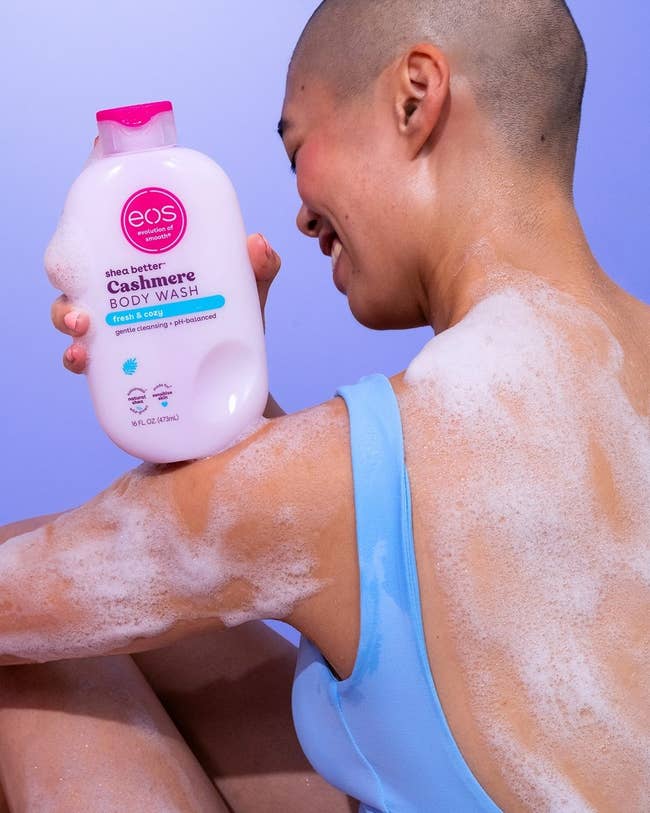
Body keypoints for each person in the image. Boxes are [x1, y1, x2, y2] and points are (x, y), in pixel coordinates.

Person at [1, 0, 648, 810]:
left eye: (298, 147)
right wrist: (218, 393)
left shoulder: (352, 469)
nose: (302, 213)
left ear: (416, 97)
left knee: (31, 654)